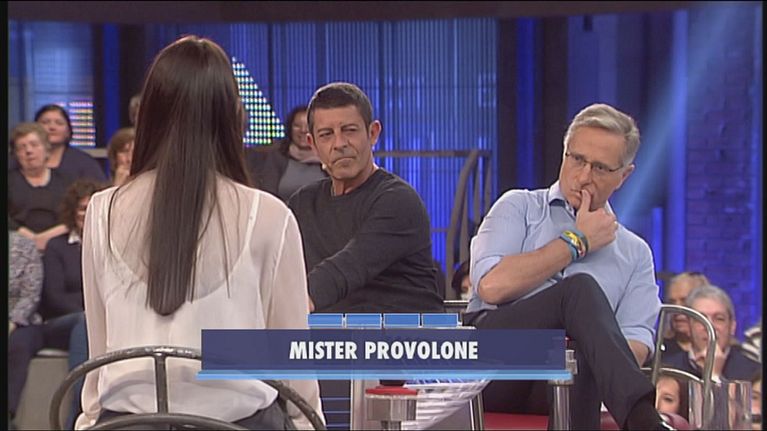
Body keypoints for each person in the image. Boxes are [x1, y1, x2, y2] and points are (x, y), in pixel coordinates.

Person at [77, 35, 323, 430]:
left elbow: (99, 350)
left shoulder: (102, 209)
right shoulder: (269, 215)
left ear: (148, 115)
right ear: (232, 116)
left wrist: (90, 420)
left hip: (123, 424)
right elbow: (293, 362)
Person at [463, 103, 670, 430]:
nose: (584, 177)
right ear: (564, 154)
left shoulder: (635, 253)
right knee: (578, 290)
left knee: (583, 354)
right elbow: (491, 286)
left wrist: (583, 345)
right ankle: (645, 422)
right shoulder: (519, 206)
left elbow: (635, 346)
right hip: (490, 364)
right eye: (577, 160)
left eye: (600, 168)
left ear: (624, 176)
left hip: (567, 378)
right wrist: (576, 242)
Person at [287, 82, 444, 313]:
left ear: (373, 133)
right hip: (328, 333)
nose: (339, 144)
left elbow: (350, 266)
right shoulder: (303, 204)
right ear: (313, 144)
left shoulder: (398, 200)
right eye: (326, 134)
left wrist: (287, 304)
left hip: (401, 332)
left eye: (349, 130)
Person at [663, 284, 761, 382]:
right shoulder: (668, 370)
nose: (710, 326)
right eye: (701, 319)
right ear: (688, 326)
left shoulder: (754, 374)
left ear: (732, 327)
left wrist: (714, 375)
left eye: (719, 319)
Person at [8, 122, 73, 251]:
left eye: (34, 145)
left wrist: (45, 238)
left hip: (59, 244)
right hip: (16, 245)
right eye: (22, 147)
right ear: (16, 154)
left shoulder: (66, 181)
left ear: (47, 150)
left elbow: (74, 216)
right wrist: (30, 238)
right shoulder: (9, 181)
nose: (28, 151)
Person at [246, 105, 326, 202]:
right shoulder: (276, 155)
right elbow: (268, 193)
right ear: (290, 128)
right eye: (297, 126)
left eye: (308, 126)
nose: (303, 130)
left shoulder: (329, 157)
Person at [8, 231, 44, 427]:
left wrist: (13, 322)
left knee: (17, 344)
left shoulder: (23, 246)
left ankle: (8, 413)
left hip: (21, 322)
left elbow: (31, 294)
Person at [33, 104, 106, 182]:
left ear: (68, 131)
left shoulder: (84, 163)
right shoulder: (24, 159)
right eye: (45, 122)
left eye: (59, 123)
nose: (52, 127)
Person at [661, 271, 711, 356]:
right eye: (672, 302)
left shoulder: (725, 351)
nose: (677, 308)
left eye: (685, 301)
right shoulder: (658, 351)